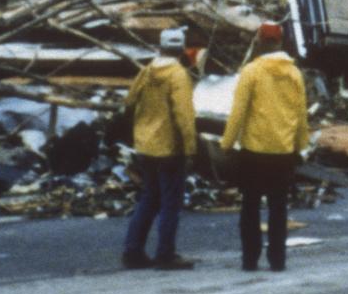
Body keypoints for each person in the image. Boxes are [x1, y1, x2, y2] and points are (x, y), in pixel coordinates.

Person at [219, 24, 307, 272]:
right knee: (278, 208)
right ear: (280, 43)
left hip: (254, 151)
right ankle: (277, 260)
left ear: (259, 41)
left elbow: (238, 111)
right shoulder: (294, 74)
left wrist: (227, 143)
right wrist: (300, 145)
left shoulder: (252, 71)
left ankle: (250, 260)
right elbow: (300, 113)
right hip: (283, 151)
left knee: (250, 207)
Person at [121, 27, 198, 271]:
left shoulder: (146, 72)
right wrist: (190, 149)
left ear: (159, 47)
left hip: (145, 145)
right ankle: (165, 254)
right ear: (182, 50)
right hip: (169, 148)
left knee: (149, 198)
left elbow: (129, 102)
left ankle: (133, 251)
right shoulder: (178, 75)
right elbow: (183, 116)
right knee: (170, 203)